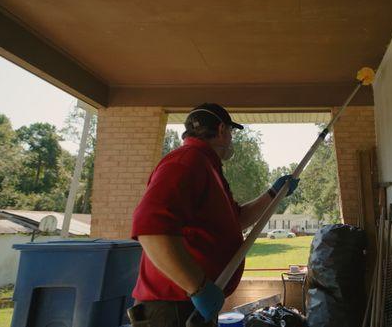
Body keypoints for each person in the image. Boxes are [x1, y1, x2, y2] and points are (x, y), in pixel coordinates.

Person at [128, 103, 299, 327]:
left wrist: (273, 194)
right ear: (221, 130)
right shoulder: (187, 162)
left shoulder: (207, 166)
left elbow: (236, 220)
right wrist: (198, 288)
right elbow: (152, 231)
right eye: (231, 133)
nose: (231, 139)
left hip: (192, 305)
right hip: (174, 310)